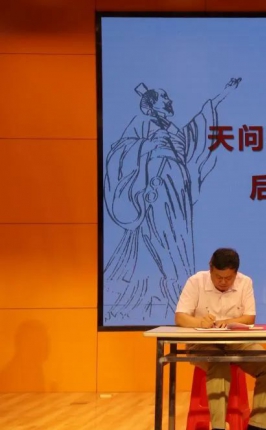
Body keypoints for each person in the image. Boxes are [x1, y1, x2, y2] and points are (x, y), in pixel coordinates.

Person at [103, 78, 241, 324]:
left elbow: (194, 134)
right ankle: (161, 296)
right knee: (158, 243)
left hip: (177, 194)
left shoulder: (172, 128)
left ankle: (176, 293)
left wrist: (220, 96)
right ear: (152, 105)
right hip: (157, 193)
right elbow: (120, 153)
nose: (170, 101)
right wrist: (147, 146)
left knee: (178, 242)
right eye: (164, 98)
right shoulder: (142, 123)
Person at [175, 247, 266, 430]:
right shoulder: (196, 281)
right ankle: (218, 428)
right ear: (210, 268)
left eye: (228, 278)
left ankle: (258, 424)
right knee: (219, 362)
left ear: (236, 273)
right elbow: (180, 317)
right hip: (202, 344)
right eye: (218, 277)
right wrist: (200, 323)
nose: (223, 282)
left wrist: (228, 321)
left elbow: (249, 317)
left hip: (236, 342)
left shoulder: (245, 282)